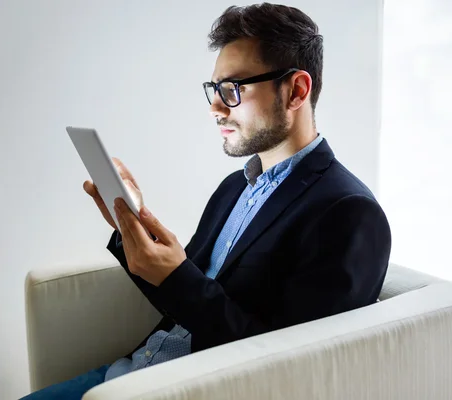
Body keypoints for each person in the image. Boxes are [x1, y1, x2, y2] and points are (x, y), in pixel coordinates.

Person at [20, 3, 391, 399]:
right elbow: (186, 295)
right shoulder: (235, 187)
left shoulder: (349, 213)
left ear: (297, 90)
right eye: (214, 90)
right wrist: (132, 228)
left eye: (233, 90)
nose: (215, 108)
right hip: (131, 372)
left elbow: (290, 371)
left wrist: (175, 275)